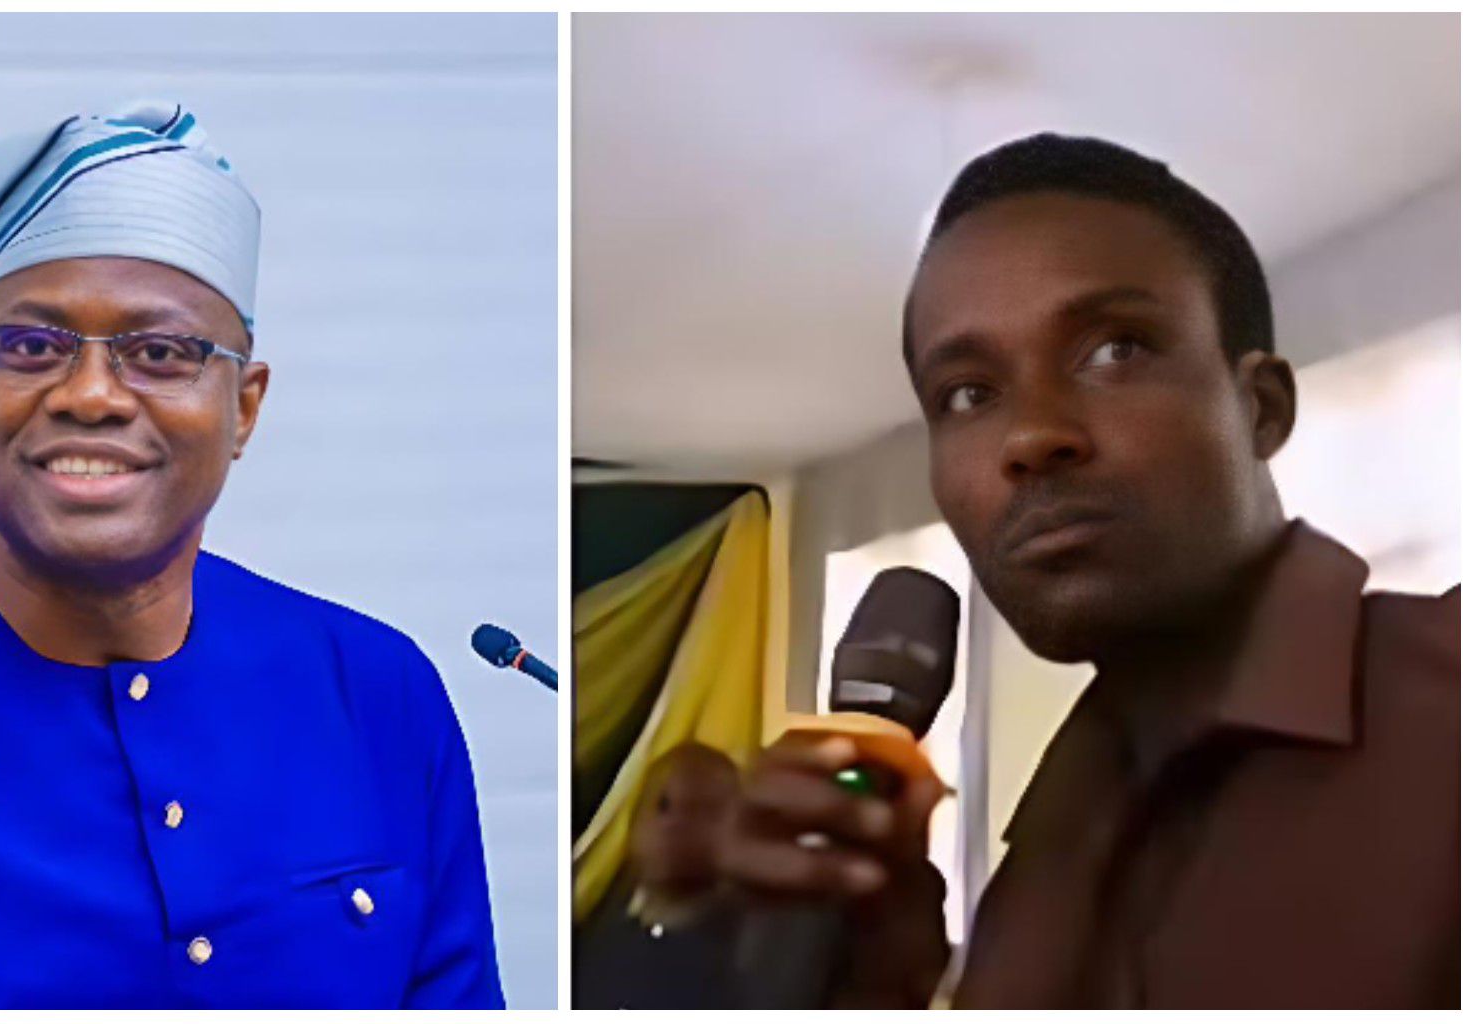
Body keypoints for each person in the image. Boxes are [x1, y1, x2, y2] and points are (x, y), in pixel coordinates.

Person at [0, 100, 503, 1010]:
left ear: (246, 407)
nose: (93, 394)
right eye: (32, 345)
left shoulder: (379, 695)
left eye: (160, 351)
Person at [720, 134, 1458, 1009]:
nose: (1031, 438)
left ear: (1259, 409)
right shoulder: (1061, 812)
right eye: (967, 393)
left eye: (1115, 350)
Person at [574, 743, 744, 1009]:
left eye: (705, 811)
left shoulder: (748, 963)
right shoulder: (583, 925)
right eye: (663, 805)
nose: (677, 823)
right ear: (634, 820)